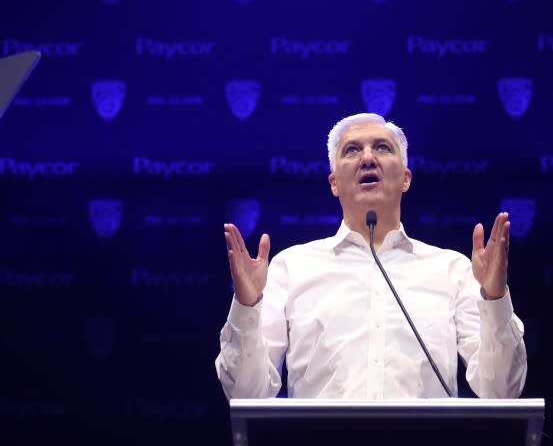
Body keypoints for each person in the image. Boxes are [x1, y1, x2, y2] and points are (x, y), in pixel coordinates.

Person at [215, 113, 527, 399]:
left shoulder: (452, 270)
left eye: (382, 147)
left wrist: (495, 298)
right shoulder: (291, 268)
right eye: (351, 150)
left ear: (406, 178)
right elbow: (246, 394)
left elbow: (500, 390)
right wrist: (246, 307)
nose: (367, 158)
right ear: (334, 183)